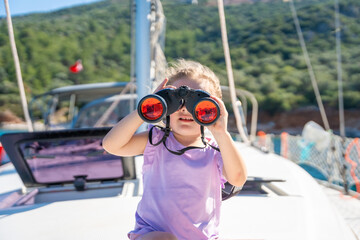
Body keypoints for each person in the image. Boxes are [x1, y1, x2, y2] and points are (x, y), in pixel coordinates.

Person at [102, 59, 247, 240]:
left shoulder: (215, 150)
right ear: (165, 106)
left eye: (197, 103)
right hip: (152, 233)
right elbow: (112, 145)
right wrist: (146, 109)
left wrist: (221, 133)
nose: (185, 109)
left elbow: (238, 178)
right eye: (176, 102)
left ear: (214, 109)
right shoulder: (156, 141)